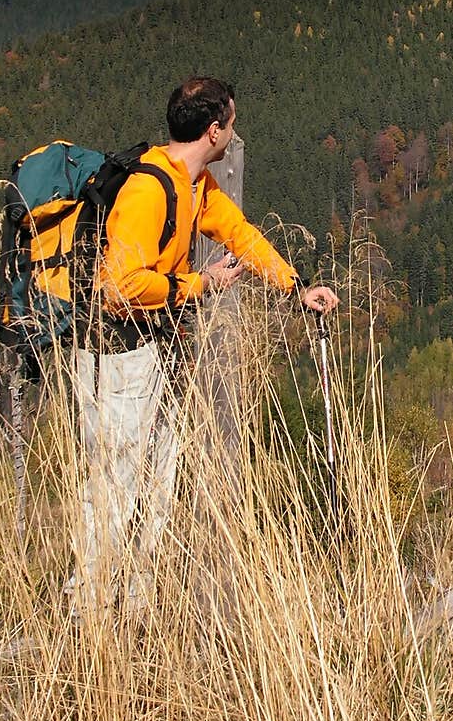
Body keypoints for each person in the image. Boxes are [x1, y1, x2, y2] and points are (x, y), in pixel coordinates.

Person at [66, 76, 339, 620]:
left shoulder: (194, 184)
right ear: (214, 132)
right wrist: (201, 286)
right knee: (113, 495)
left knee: (155, 491)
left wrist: (295, 287)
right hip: (115, 358)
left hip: (156, 351)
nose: (232, 131)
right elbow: (118, 287)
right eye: (231, 123)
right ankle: (89, 626)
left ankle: (134, 623)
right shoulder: (150, 189)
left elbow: (240, 234)